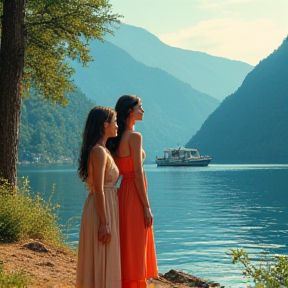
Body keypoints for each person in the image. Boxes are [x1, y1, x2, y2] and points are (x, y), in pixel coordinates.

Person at [107, 95, 158, 288]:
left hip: (122, 194)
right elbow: (137, 173)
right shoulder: (135, 137)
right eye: (140, 107)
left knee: (126, 243)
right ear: (130, 110)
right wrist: (146, 207)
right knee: (136, 243)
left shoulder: (116, 138)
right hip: (135, 194)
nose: (143, 110)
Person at [76, 106, 121, 288]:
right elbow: (98, 188)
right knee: (102, 253)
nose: (117, 126)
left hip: (105, 205)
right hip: (101, 208)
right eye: (115, 121)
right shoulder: (99, 152)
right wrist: (104, 221)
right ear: (105, 124)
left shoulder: (103, 150)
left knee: (105, 254)